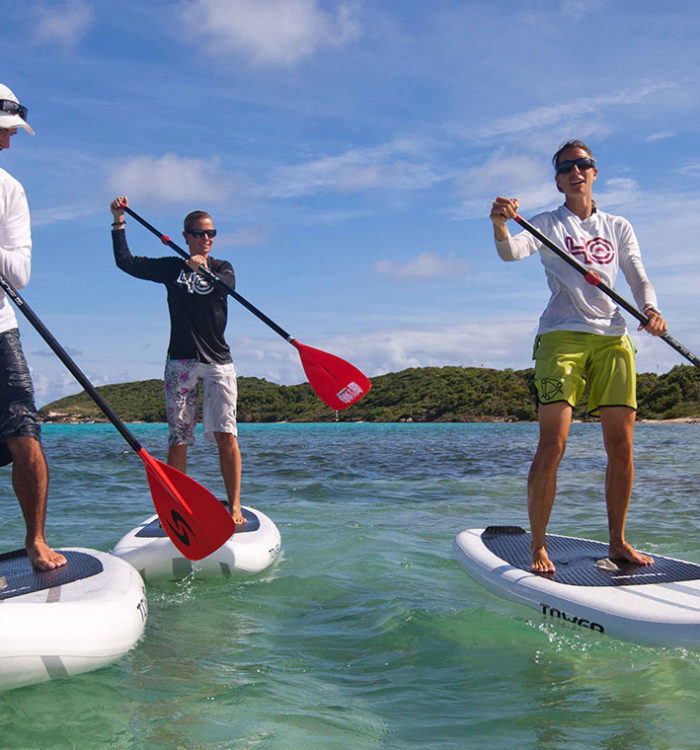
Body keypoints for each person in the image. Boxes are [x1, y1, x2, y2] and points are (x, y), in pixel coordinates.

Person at [489, 140, 668, 575]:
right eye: (566, 167)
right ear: (557, 179)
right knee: (554, 444)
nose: (575, 171)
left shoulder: (618, 225)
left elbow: (637, 274)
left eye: (583, 164)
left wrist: (651, 309)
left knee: (621, 448)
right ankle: (536, 546)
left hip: (613, 338)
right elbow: (511, 251)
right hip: (562, 338)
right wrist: (500, 225)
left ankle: (619, 542)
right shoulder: (545, 224)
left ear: (594, 172)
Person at [109, 196, 246, 526]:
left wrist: (200, 267)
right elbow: (126, 262)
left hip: (218, 362)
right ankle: (176, 507)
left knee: (227, 435)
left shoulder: (223, 268)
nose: (206, 239)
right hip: (180, 362)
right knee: (179, 437)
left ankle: (235, 505)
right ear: (185, 236)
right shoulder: (171, 268)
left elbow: (222, 288)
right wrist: (118, 222)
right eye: (199, 234)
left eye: (211, 233)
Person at [0, 83, 67, 570]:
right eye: (4, 131)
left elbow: (19, 272)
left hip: (1, 330)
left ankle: (36, 540)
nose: (8, 142)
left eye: (12, 132)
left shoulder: (10, 190)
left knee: (26, 434)